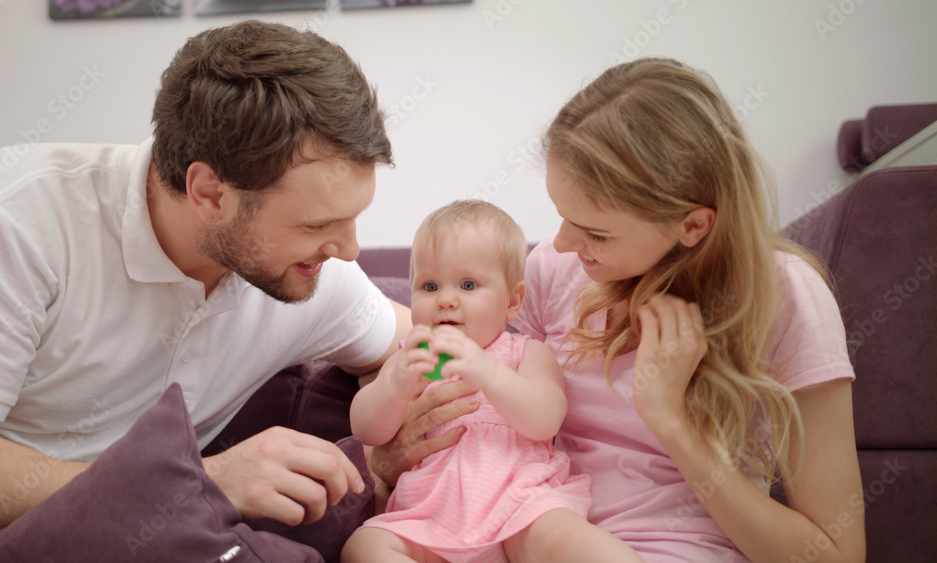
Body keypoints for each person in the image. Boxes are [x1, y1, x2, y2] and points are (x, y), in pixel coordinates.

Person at [0, 20, 414, 554]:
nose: (348, 250)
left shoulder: (310, 275)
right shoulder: (6, 221)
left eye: (352, 219)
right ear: (209, 193)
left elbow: (428, 347)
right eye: (315, 225)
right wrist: (193, 484)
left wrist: (411, 411)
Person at [371, 58, 865, 562]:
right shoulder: (551, 271)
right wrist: (389, 454)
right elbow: (456, 356)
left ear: (693, 225)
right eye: (562, 216)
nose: (562, 243)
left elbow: (835, 556)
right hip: (521, 537)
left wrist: (671, 420)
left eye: (596, 233)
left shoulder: (784, 297)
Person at [342, 200, 644, 563]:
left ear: (513, 301)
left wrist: (488, 372)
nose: (447, 300)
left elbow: (545, 418)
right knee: (364, 547)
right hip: (430, 514)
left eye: (468, 285)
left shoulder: (523, 353)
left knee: (568, 539)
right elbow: (367, 430)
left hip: (522, 505)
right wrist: (395, 386)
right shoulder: (412, 357)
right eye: (430, 285)